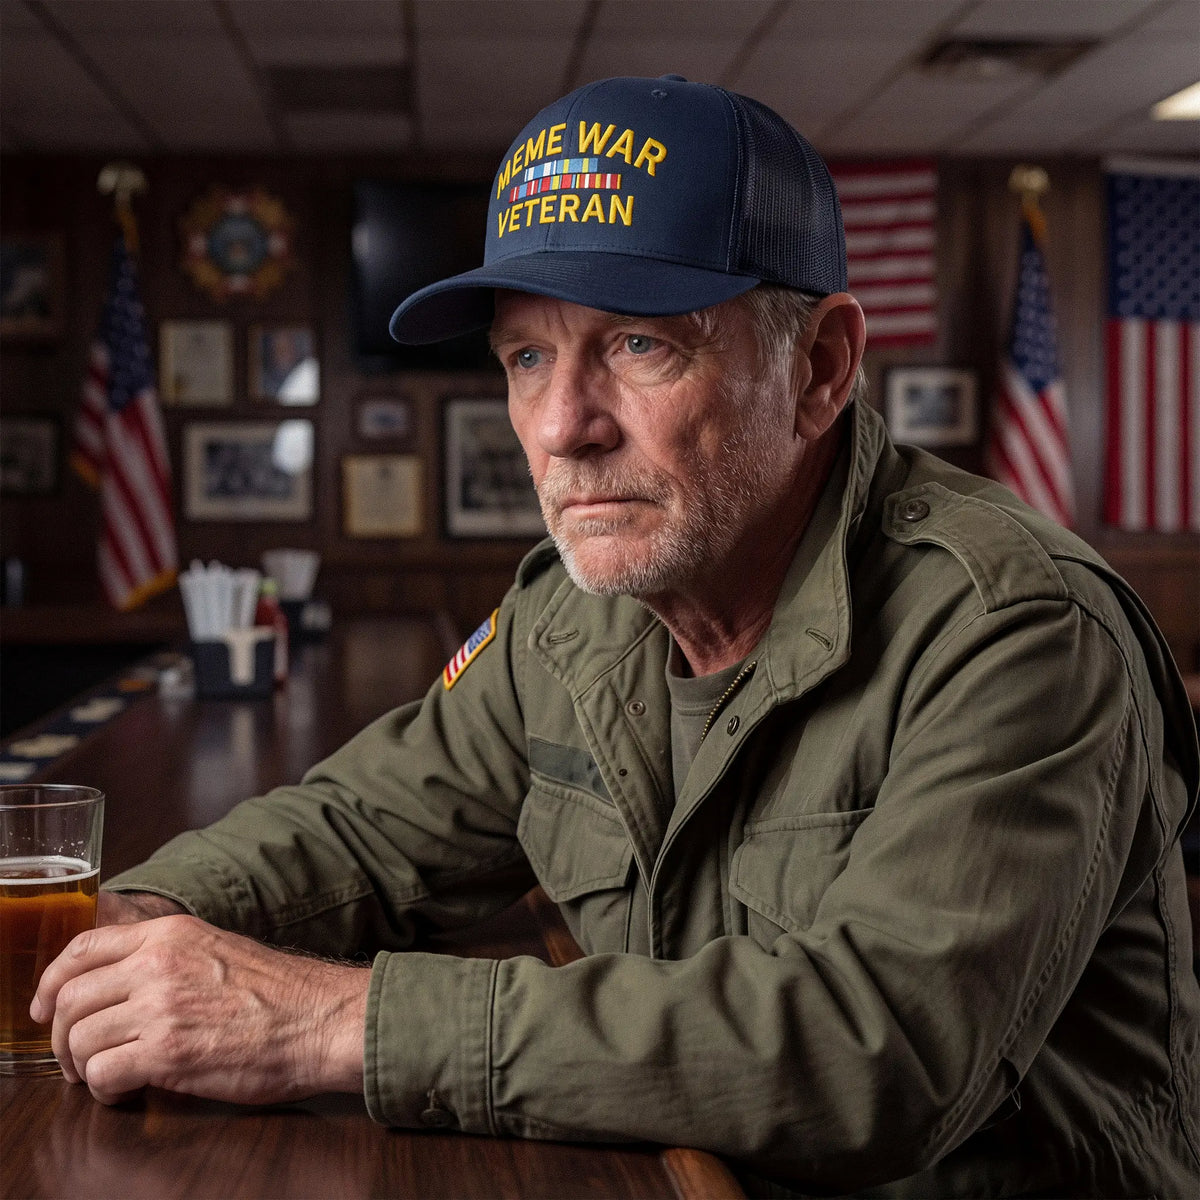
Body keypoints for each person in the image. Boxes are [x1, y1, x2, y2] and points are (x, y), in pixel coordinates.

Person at [34, 76, 1199, 1197]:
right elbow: (362, 829)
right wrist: (127, 926)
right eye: (528, 356)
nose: (559, 427)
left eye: (640, 344)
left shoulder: (1015, 627)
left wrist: (333, 1024)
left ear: (822, 368)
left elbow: (873, 1052)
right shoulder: (574, 614)